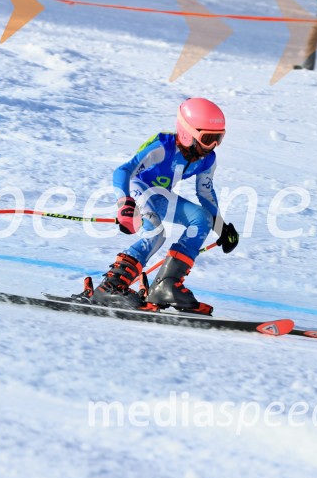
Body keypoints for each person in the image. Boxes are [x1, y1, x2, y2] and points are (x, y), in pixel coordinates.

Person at [89, 98, 240, 316]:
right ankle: (110, 287)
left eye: (218, 139)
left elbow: (205, 192)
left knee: (202, 219)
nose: (213, 146)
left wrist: (221, 227)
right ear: (189, 133)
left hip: (160, 195)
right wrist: (125, 203)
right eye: (208, 139)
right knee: (156, 234)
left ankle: (166, 285)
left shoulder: (207, 159)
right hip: (137, 187)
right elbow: (123, 171)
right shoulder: (162, 148)